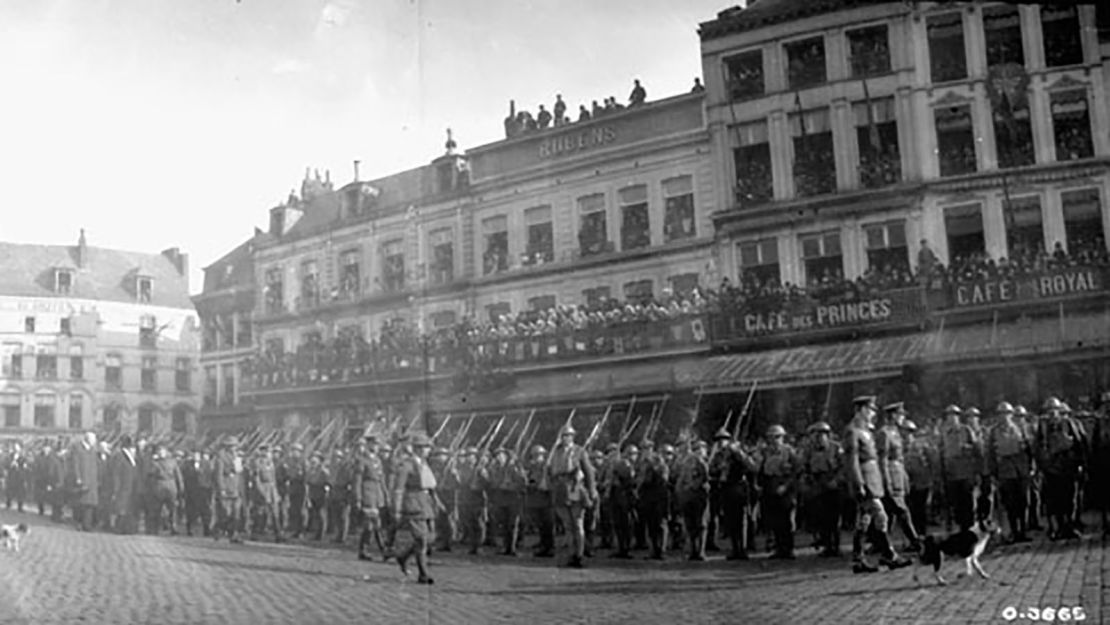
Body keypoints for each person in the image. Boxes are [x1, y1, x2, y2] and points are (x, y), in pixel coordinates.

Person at [844, 396, 911, 573]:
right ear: (862, 410)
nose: (873, 414)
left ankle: (858, 560)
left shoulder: (865, 430)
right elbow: (852, 461)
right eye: (871, 410)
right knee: (881, 517)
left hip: (872, 479)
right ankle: (889, 555)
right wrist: (858, 483)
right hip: (865, 480)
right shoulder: (853, 431)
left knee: (864, 521)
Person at [545, 424, 597, 568]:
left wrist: (591, 490)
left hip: (575, 489)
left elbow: (589, 472)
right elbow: (549, 472)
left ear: (573, 437)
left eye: (568, 436)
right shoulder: (555, 453)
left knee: (578, 524)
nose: (565, 438)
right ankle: (570, 554)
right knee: (568, 526)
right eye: (563, 436)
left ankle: (579, 555)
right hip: (561, 490)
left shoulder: (580, 451)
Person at [391, 433, 440, 584]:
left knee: (430, 538)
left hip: (426, 504)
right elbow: (399, 489)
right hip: (413, 505)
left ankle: (403, 556)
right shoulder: (407, 465)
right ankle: (423, 574)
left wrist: (437, 502)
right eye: (426, 447)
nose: (429, 450)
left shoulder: (424, 464)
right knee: (422, 539)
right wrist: (397, 510)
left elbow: (430, 487)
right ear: (418, 449)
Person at [877, 402, 921, 552]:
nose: (902, 418)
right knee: (902, 512)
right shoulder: (883, 433)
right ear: (893, 416)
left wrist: (904, 478)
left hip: (898, 475)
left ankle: (884, 548)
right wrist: (886, 481)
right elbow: (882, 459)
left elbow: (900, 458)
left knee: (891, 514)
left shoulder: (895, 432)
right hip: (890, 476)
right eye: (900, 415)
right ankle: (915, 542)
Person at [987, 401, 1034, 543]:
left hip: (1022, 470)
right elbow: (991, 454)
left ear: (1011, 415)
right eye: (1001, 414)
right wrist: (994, 473)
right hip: (1005, 472)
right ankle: (1014, 531)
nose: (1004, 417)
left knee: (1024, 502)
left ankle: (1023, 531)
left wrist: (1031, 467)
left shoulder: (1021, 429)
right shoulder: (994, 432)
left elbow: (1029, 449)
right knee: (1010, 504)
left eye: (1007, 414)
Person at [758, 424, 800, 559]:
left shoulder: (789, 451)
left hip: (785, 487)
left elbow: (796, 471)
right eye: (771, 438)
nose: (774, 440)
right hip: (770, 485)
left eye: (777, 437)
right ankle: (779, 549)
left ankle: (789, 549)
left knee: (787, 520)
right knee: (774, 520)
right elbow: (760, 470)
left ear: (782, 438)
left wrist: (786, 486)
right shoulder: (765, 452)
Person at [803, 421, 842, 557]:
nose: (818, 438)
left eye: (821, 434)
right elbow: (805, 466)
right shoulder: (809, 450)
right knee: (820, 516)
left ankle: (835, 546)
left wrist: (836, 480)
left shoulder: (836, 448)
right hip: (817, 483)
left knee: (834, 517)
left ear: (828, 435)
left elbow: (843, 467)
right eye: (816, 435)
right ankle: (826, 544)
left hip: (832, 482)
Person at [211, 437, 243, 543]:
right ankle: (218, 529)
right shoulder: (220, 458)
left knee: (236, 513)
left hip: (235, 488)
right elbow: (218, 475)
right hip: (226, 488)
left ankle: (234, 534)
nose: (234, 448)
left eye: (235, 446)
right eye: (232, 446)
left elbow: (239, 473)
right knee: (225, 513)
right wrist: (222, 489)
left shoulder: (237, 457)